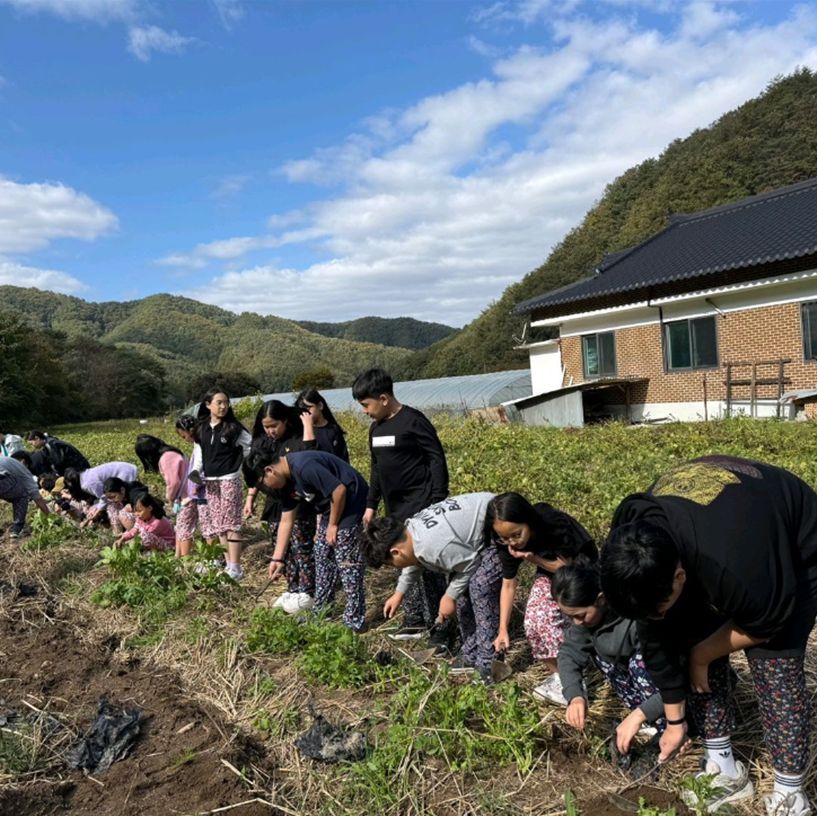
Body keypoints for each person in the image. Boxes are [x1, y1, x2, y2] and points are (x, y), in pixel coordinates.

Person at [601, 455, 817, 816]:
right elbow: (657, 638)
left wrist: (704, 654)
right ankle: (724, 768)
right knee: (683, 636)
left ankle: (790, 792)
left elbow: (769, 622)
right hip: (717, 531)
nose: (656, 618)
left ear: (680, 577)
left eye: (660, 606)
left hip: (791, 543)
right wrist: (674, 721)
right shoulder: (633, 544)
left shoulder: (735, 562)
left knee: (775, 667)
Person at [352, 367, 452, 647]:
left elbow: (436, 459)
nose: (364, 411)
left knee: (429, 567)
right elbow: (376, 468)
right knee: (402, 561)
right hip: (394, 508)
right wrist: (371, 504)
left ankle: (441, 626)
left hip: (421, 504)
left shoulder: (413, 421)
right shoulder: (376, 428)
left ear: (383, 398)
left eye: (366, 405)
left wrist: (437, 499)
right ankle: (414, 619)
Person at [363, 492, 501, 681]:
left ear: (396, 552)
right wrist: (399, 593)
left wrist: (449, 595)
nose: (395, 568)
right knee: (462, 595)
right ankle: (471, 652)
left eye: (391, 564)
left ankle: (490, 661)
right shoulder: (411, 533)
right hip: (475, 538)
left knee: (479, 588)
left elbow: (471, 563)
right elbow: (413, 561)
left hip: (500, 524)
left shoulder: (433, 546)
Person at [486, 492, 596, 705]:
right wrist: (502, 629)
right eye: (505, 537)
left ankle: (576, 676)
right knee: (534, 621)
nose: (512, 542)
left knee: (558, 616)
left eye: (516, 535)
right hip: (548, 570)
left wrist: (533, 558)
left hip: (581, 568)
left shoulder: (552, 524)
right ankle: (564, 678)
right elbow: (508, 584)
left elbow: (567, 568)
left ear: (528, 521)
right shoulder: (506, 542)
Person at [553, 559, 664, 756]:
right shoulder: (586, 623)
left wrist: (640, 715)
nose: (576, 623)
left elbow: (675, 679)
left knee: (638, 664)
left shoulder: (638, 616)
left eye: (580, 615)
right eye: (570, 617)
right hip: (644, 689)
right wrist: (576, 696)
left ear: (601, 599)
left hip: (674, 694)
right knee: (605, 660)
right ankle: (651, 717)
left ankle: (670, 725)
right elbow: (569, 654)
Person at [260, 450, 368, 632]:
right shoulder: (286, 483)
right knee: (322, 555)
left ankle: (354, 620)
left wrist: (333, 525)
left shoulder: (304, 466)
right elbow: (286, 520)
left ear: (270, 470)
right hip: (331, 508)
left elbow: (339, 490)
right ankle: (323, 610)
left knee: (347, 562)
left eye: (265, 485)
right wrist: (277, 559)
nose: (269, 490)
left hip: (352, 502)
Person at [244, 401, 316, 612]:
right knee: (283, 547)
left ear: (285, 420)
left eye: (274, 425)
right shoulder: (263, 443)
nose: (270, 431)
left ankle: (307, 592)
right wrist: (251, 497)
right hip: (276, 502)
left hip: (298, 502)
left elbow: (309, 457)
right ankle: (292, 589)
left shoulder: (295, 441)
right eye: (266, 426)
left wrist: (308, 427)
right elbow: (255, 471)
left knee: (302, 547)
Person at [195, 389, 252, 580]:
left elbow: (250, 446)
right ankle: (229, 565)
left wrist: (237, 464)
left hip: (229, 478)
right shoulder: (202, 428)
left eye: (226, 402)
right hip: (210, 480)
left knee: (231, 523)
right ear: (207, 404)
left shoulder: (233, 427)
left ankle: (236, 566)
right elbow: (199, 452)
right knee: (219, 523)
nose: (223, 406)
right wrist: (197, 472)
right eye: (219, 402)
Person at [61, 462, 140, 527]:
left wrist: (97, 512)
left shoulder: (87, 484)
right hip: (124, 468)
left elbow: (105, 498)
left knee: (121, 500)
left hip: (124, 472)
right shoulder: (84, 476)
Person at [174, 415, 208, 557]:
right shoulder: (198, 444)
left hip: (202, 493)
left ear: (189, 431)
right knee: (203, 526)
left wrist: (194, 490)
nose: (185, 439)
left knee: (206, 527)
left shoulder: (202, 445)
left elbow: (203, 471)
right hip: (196, 493)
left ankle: (208, 558)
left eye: (184, 436)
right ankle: (184, 558)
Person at [0, 455, 49, 538]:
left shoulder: (5, 460)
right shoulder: (22, 469)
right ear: (23, 462)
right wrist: (49, 515)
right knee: (22, 495)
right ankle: (16, 529)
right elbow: (36, 496)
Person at [296, 388, 349, 461]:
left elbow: (343, 459)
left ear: (320, 406)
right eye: (301, 410)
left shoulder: (333, 430)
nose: (305, 413)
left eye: (307, 408)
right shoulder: (300, 433)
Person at [25, 431, 90, 475]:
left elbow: (58, 462)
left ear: (37, 438)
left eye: (31, 443)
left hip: (79, 468)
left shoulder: (52, 444)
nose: (32, 446)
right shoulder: (49, 441)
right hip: (77, 467)